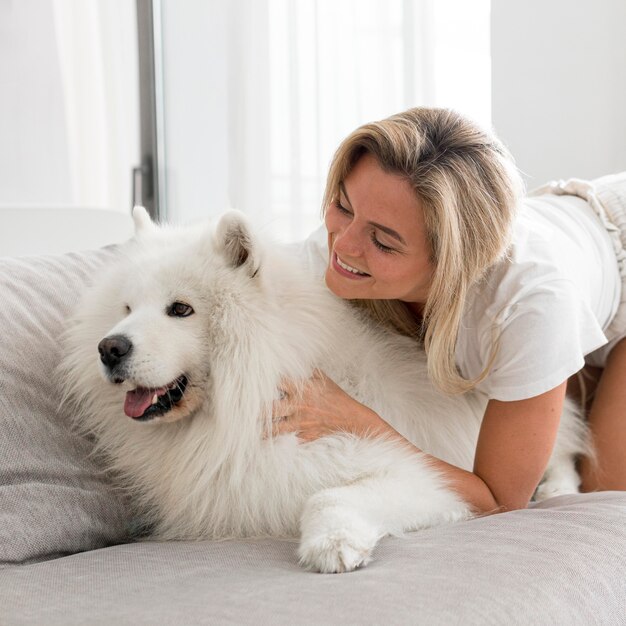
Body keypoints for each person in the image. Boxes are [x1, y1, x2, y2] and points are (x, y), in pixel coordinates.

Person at [272, 106, 626, 515]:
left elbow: (497, 500)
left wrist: (357, 421)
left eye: (383, 242)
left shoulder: (529, 307)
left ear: (451, 263)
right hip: (579, 229)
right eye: (344, 205)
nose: (344, 245)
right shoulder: (336, 248)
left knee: (607, 501)